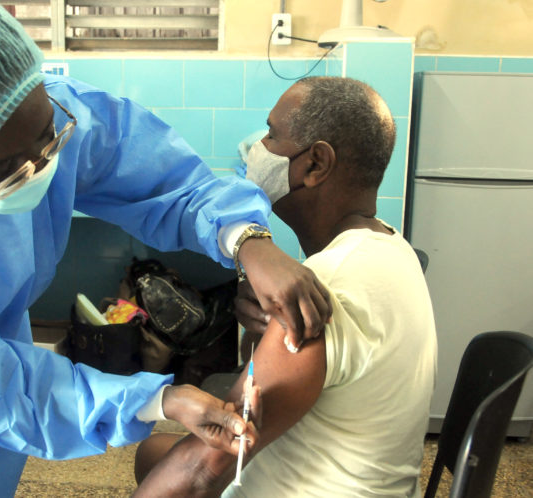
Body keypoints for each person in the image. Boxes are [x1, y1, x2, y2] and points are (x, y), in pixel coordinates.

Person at [0, 0, 332, 496]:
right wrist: (155, 400)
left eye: (49, 134)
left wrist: (247, 239)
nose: (42, 163)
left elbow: (158, 174)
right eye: (7, 167)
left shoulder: (28, 108)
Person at [133, 76, 438, 497]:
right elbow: (270, 379)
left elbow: (201, 472)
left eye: (271, 135)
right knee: (151, 453)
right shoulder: (390, 246)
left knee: (174, 465)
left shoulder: (324, 289)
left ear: (315, 164)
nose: (257, 149)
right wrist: (260, 332)